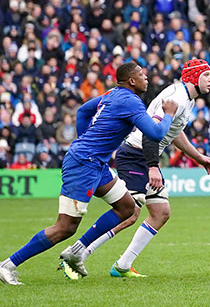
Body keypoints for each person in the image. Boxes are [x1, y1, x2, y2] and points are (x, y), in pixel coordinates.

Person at [1, 63, 176, 285]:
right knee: (65, 227)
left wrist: (86, 140)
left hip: (95, 162)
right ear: (132, 81)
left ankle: (77, 251)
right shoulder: (130, 101)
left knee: (126, 207)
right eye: (142, 75)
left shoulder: (113, 94)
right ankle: (8, 265)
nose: (146, 78)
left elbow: (83, 110)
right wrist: (169, 114)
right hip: (84, 162)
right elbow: (156, 133)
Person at [60, 59, 210, 279]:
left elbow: (174, 132)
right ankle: (78, 253)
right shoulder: (177, 98)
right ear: (194, 77)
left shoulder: (186, 98)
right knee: (130, 211)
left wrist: (199, 157)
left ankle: (122, 265)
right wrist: (153, 167)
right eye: (206, 75)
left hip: (144, 156)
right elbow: (151, 135)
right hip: (136, 154)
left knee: (161, 213)